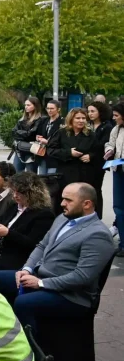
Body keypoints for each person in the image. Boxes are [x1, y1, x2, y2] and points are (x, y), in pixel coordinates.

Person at [0, 183, 115, 331]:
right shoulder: (62, 218)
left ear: (87, 204)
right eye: (62, 199)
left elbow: (82, 277)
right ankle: (3, 330)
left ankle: (31, 349)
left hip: (71, 295)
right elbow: (42, 246)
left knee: (24, 303)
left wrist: (41, 283)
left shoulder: (98, 235)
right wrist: (27, 269)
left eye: (68, 200)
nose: (62, 204)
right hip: (40, 276)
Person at [0, 171, 55, 272]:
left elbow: (33, 244)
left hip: (16, 253)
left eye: (19, 193)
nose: (15, 196)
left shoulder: (43, 214)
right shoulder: (14, 206)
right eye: (14, 191)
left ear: (32, 193)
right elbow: (0, 222)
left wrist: (8, 233)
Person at [47, 107, 105, 217]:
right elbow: (51, 150)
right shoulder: (62, 133)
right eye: (78, 118)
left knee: (83, 201)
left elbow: (98, 151)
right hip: (66, 174)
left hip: (86, 175)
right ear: (71, 119)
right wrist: (69, 153)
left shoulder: (90, 135)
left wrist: (90, 156)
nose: (81, 121)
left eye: (83, 118)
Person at [105, 103, 124, 256]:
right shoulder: (116, 129)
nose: (114, 117)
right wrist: (109, 150)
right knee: (119, 208)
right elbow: (110, 143)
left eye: (117, 115)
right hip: (118, 171)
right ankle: (122, 243)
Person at [89, 100, 113, 214]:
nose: (90, 114)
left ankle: (98, 215)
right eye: (89, 111)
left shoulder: (107, 126)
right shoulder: (88, 125)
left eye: (93, 111)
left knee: (96, 189)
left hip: (98, 162)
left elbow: (102, 145)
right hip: (86, 162)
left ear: (100, 112)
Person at [12, 97, 44, 174]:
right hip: (20, 150)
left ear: (35, 106)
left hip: (31, 150)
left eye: (28, 105)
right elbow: (13, 132)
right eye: (25, 105)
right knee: (16, 173)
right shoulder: (22, 119)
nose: (26, 107)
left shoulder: (40, 120)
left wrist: (21, 133)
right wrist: (25, 133)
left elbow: (31, 134)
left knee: (31, 175)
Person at [35, 100, 62, 175]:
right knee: (42, 177)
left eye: (52, 108)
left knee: (51, 178)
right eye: (48, 108)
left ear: (58, 109)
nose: (49, 110)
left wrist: (47, 142)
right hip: (42, 154)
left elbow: (62, 140)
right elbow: (39, 133)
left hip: (54, 155)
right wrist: (38, 137)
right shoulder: (44, 120)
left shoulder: (62, 122)